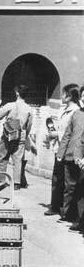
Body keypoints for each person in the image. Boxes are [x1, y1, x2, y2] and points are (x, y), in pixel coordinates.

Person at [44, 84, 80, 217]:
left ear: (69, 96)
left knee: (68, 182)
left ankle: (66, 210)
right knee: (57, 179)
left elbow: (71, 133)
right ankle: (55, 206)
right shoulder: (63, 110)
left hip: (69, 151)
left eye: (63, 93)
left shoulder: (75, 112)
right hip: (59, 149)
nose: (61, 96)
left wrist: (57, 134)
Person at [0, 85, 32, 190]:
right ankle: (16, 183)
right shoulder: (29, 108)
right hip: (21, 135)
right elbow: (29, 125)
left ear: (17, 93)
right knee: (18, 160)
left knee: (3, 158)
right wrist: (25, 134)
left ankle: (1, 181)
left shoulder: (10, 105)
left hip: (8, 134)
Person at [56, 91, 84, 227]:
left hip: (82, 159)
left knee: (81, 190)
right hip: (70, 155)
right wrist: (61, 152)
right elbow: (67, 134)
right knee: (69, 187)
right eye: (83, 95)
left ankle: (79, 220)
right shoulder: (76, 114)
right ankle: (67, 214)